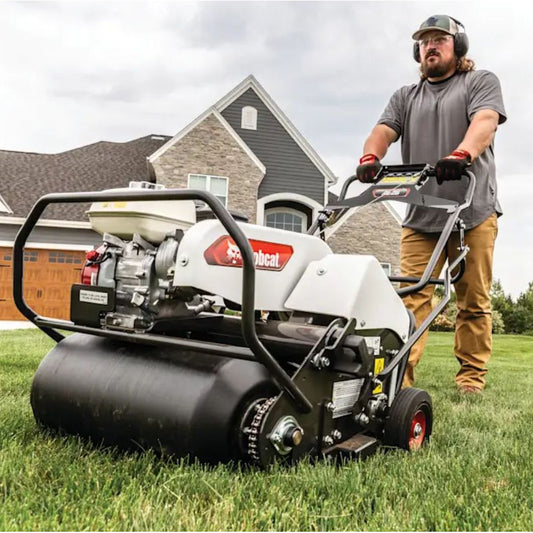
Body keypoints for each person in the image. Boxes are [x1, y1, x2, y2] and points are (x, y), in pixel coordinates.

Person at [356, 15, 506, 394]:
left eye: (439, 39)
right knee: (410, 299)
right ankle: (399, 380)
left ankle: (471, 379)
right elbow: (382, 131)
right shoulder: (405, 97)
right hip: (420, 215)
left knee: (473, 301)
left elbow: (486, 121)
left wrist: (462, 154)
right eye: (424, 42)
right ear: (417, 51)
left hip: (472, 212)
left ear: (459, 46)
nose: (430, 46)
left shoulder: (479, 82)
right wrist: (370, 158)